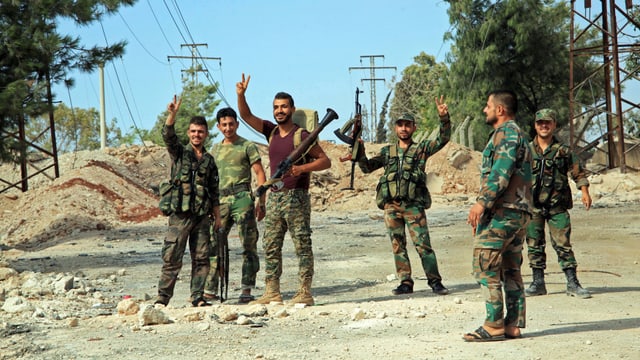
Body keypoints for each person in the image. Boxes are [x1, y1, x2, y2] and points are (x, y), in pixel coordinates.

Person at [236, 73, 331, 306]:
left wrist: (301, 168)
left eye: (284, 107)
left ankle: (304, 292)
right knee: (271, 245)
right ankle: (272, 291)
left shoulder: (303, 135)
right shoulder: (271, 132)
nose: (279, 111)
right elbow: (246, 115)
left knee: (302, 244)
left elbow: (325, 161)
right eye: (276, 107)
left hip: (296, 197)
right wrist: (241, 95)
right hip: (276, 197)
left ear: (292, 109)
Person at [355, 98, 451, 296]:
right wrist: (359, 152)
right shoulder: (387, 152)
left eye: (407, 125)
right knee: (398, 246)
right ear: (395, 128)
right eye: (400, 125)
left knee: (423, 245)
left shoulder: (422, 149)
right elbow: (367, 168)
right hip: (391, 206)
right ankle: (405, 282)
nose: (404, 128)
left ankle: (435, 282)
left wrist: (443, 117)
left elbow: (443, 139)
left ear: (414, 128)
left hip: (414, 206)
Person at [464, 90, 532, 342]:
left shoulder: (506, 133)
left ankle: (493, 325)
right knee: (511, 268)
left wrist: (481, 203)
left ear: (500, 110)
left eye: (488, 105)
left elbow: (500, 172)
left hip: (503, 212)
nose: (485, 110)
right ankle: (512, 325)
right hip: (519, 212)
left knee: (485, 265)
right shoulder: (518, 134)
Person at [155, 95, 221, 307]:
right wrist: (172, 114)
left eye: (200, 131)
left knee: (201, 259)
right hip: (180, 216)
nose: (196, 135)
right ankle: (162, 299)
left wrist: (217, 217)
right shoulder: (180, 154)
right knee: (172, 257)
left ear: (206, 134)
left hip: (202, 217)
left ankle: (198, 297)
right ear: (188, 133)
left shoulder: (210, 161)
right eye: (193, 131)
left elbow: (214, 191)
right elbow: (168, 136)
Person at [525, 108, 592, 299]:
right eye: (540, 123)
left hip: (557, 207)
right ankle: (538, 283)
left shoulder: (563, 151)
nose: (544, 126)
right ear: (535, 126)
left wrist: (585, 192)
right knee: (534, 245)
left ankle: (573, 283)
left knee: (563, 244)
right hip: (533, 207)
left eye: (548, 122)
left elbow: (578, 172)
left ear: (554, 125)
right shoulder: (526, 151)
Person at [203, 107, 267, 304]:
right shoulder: (215, 149)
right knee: (215, 244)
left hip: (242, 199)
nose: (228, 128)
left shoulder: (247, 146)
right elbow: (209, 178)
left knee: (248, 244)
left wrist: (261, 201)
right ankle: (211, 288)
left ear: (237, 124)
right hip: (221, 201)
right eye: (224, 125)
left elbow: (259, 173)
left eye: (231, 124)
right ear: (218, 126)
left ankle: (247, 288)